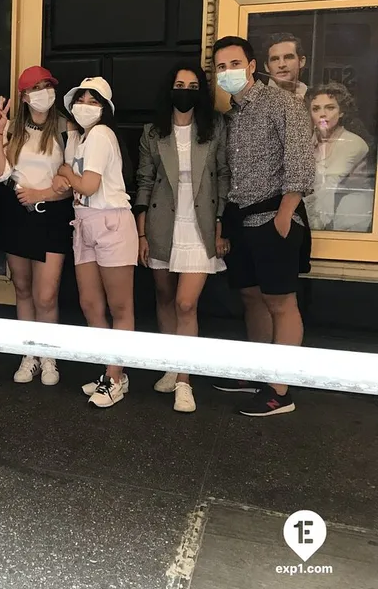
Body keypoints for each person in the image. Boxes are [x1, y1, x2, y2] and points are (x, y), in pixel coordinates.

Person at [212, 35, 314, 417]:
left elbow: (301, 161)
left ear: (252, 66)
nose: (228, 72)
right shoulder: (230, 116)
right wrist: (225, 225)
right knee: (251, 297)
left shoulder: (281, 103)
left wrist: (285, 215)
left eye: (234, 64)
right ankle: (257, 371)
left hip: (274, 218)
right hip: (241, 220)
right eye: (221, 67)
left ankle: (279, 389)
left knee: (280, 302)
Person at [135, 62, 230, 413]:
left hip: (201, 222)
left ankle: (184, 381)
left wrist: (221, 225)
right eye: (179, 84)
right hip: (162, 221)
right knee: (164, 295)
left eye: (192, 86)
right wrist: (141, 232)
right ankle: (171, 364)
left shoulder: (215, 127)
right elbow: (144, 182)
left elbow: (223, 175)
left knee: (186, 303)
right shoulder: (152, 132)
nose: (185, 90)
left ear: (200, 92)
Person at [0, 66, 72, 387]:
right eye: (35, 87)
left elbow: (70, 178)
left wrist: (43, 194)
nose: (42, 92)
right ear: (23, 96)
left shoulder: (66, 128)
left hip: (52, 216)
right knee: (22, 289)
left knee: (46, 295)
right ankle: (29, 354)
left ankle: (49, 355)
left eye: (46, 85)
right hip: (16, 214)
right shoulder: (12, 131)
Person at [52, 77, 136, 409]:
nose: (85, 105)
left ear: (105, 108)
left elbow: (86, 184)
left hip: (110, 221)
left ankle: (115, 377)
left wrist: (66, 175)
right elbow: (67, 181)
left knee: (120, 307)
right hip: (84, 222)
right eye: (80, 99)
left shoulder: (102, 134)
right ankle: (112, 370)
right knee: (89, 302)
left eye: (93, 100)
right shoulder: (79, 136)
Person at [303, 83, 372, 232]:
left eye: (330, 107)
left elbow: (328, 185)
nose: (322, 114)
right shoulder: (310, 143)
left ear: (341, 112)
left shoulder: (352, 143)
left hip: (350, 218)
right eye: (316, 109)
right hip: (318, 222)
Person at [263, 33, 308, 99]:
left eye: (288, 57)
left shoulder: (313, 99)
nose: (282, 64)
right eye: (275, 59)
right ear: (266, 66)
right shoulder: (256, 102)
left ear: (301, 61)